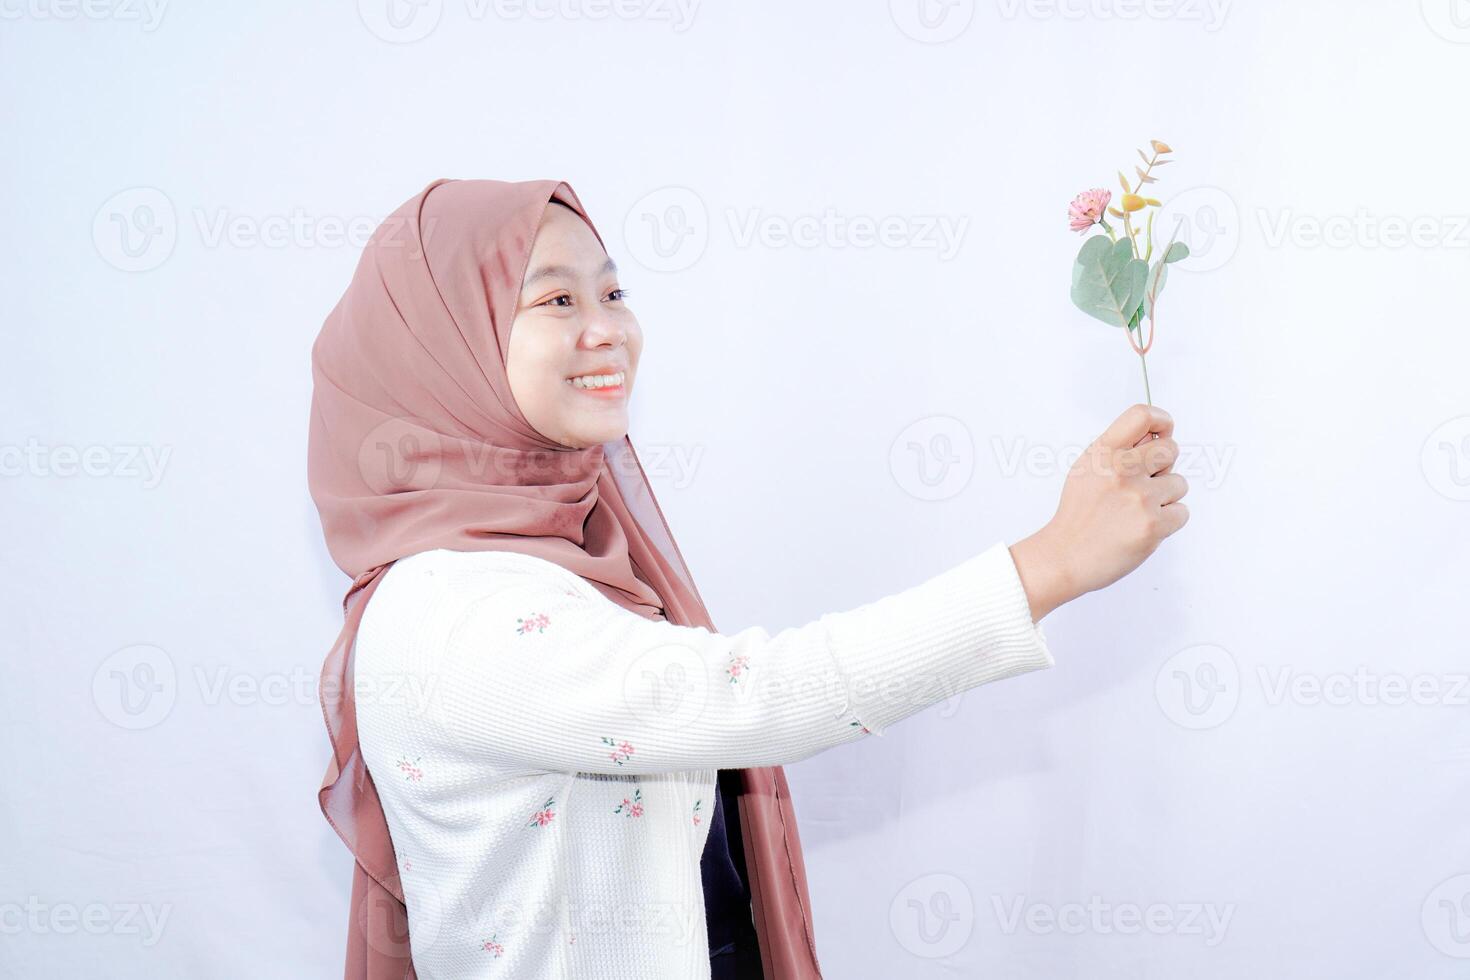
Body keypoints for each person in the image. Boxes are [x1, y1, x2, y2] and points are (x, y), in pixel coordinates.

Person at [306, 178, 1189, 980]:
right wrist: (1052, 562)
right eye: (557, 299)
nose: (607, 326)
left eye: (614, 292)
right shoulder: (448, 615)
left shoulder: (575, 563)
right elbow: (751, 697)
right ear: (443, 347)